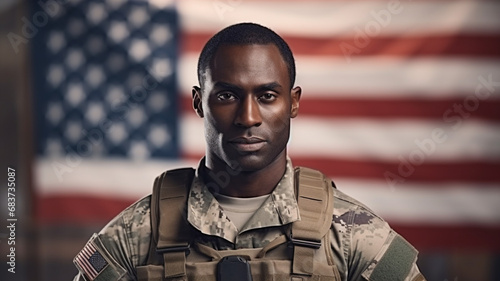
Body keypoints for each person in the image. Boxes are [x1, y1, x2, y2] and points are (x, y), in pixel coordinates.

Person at [73, 22, 426, 281]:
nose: (248, 117)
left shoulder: (352, 234)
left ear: (293, 103)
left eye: (267, 96)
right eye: (227, 96)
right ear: (199, 103)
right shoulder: (135, 235)